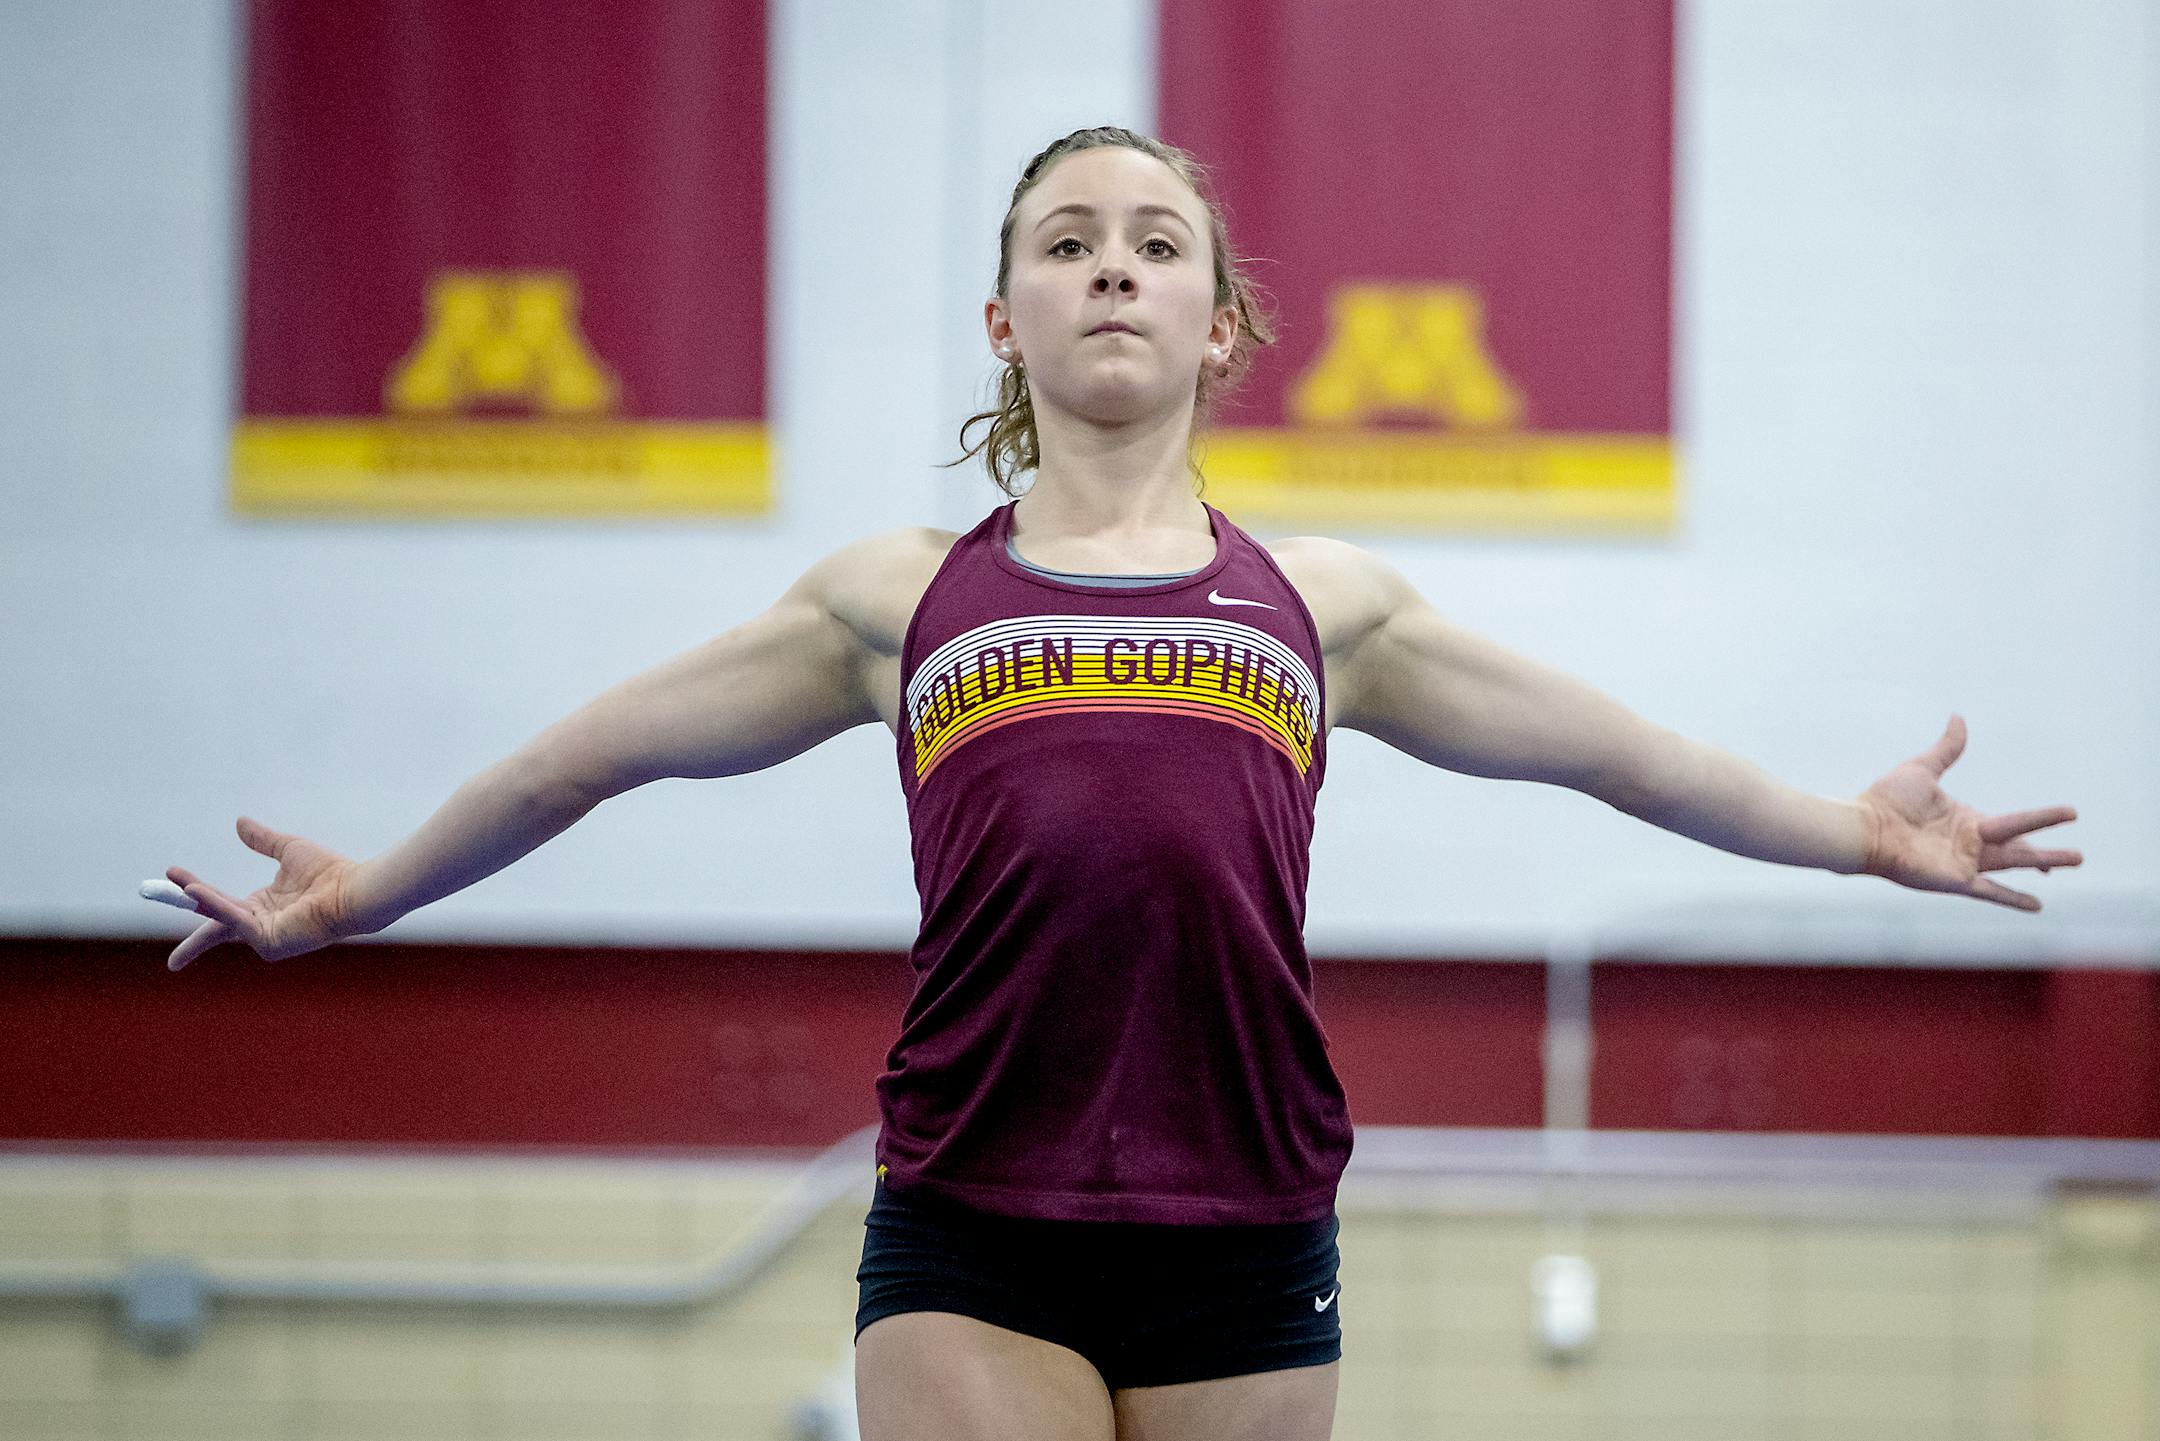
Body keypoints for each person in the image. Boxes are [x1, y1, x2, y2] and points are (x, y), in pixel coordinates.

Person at [162, 127, 2082, 1441]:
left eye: (1156, 248)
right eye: (1065, 246)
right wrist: (367, 891)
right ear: (1004, 318)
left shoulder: (1324, 605)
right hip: (975, 1207)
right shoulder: (893, 601)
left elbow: (1624, 756)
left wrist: (1852, 830)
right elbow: (589, 755)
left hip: (1249, 1215)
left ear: (1220, 328)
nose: (1110, 271)